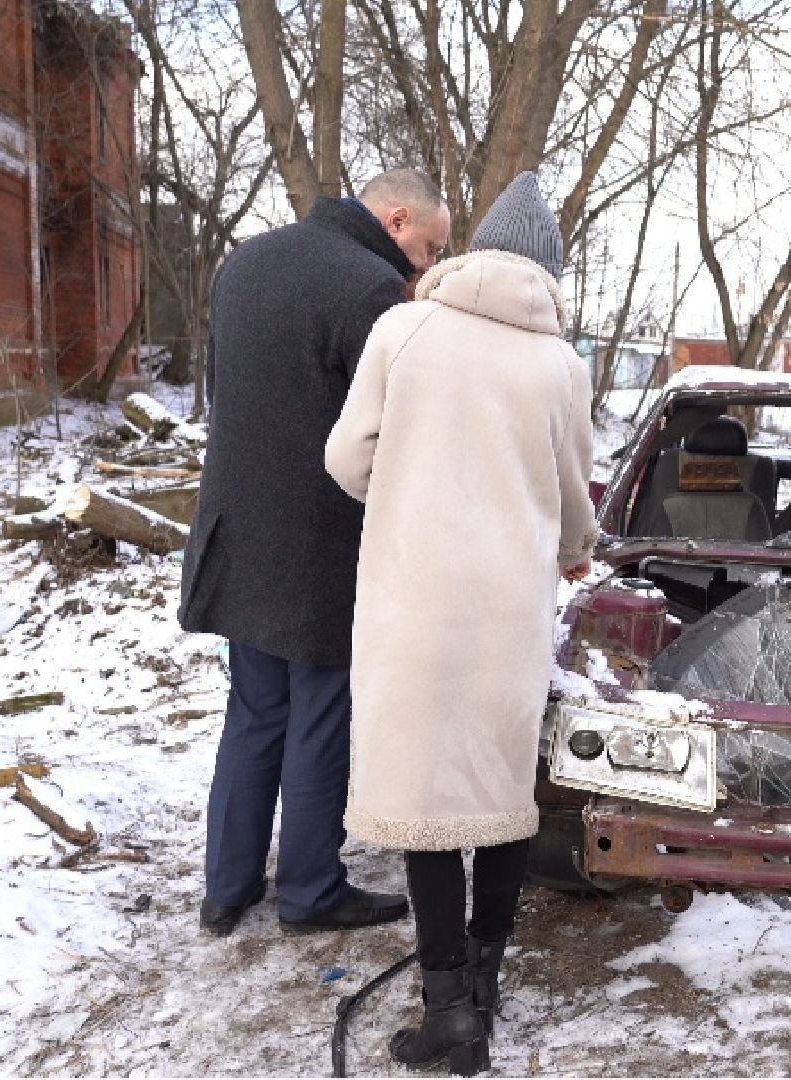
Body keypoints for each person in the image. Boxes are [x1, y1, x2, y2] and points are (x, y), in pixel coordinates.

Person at [324, 172, 597, 1076]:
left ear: (477, 250)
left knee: (425, 799)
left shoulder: (402, 331)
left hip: (413, 604)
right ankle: (483, 983)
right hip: (508, 615)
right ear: (549, 274)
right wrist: (571, 549)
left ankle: (449, 1014)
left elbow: (347, 459)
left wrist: (408, 485)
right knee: (500, 795)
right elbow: (573, 506)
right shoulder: (562, 366)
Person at [181, 170, 452, 937]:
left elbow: (222, 392)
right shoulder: (371, 291)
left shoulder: (246, 260)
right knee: (321, 717)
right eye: (429, 247)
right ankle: (308, 890)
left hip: (238, 527)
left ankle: (226, 888)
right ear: (395, 220)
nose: (429, 265)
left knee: (254, 712)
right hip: (323, 542)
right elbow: (393, 432)